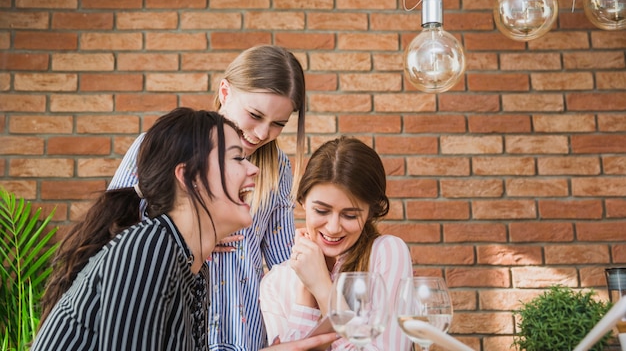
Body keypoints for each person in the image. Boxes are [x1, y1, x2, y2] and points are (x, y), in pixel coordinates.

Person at [32, 107, 337, 351]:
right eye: (236, 158)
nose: (253, 169)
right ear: (190, 177)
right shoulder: (149, 249)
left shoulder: (190, 267)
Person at [107, 45, 306, 350]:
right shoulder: (161, 145)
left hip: (245, 333)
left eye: (279, 123)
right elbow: (114, 229)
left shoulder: (277, 167)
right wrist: (187, 232)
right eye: (255, 115)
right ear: (225, 91)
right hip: (171, 324)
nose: (264, 132)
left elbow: (282, 261)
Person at [259, 137, 413, 350]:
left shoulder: (386, 253)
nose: (332, 228)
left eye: (350, 215)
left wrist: (322, 286)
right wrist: (306, 291)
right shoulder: (276, 283)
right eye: (321, 211)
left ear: (370, 213)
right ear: (302, 201)